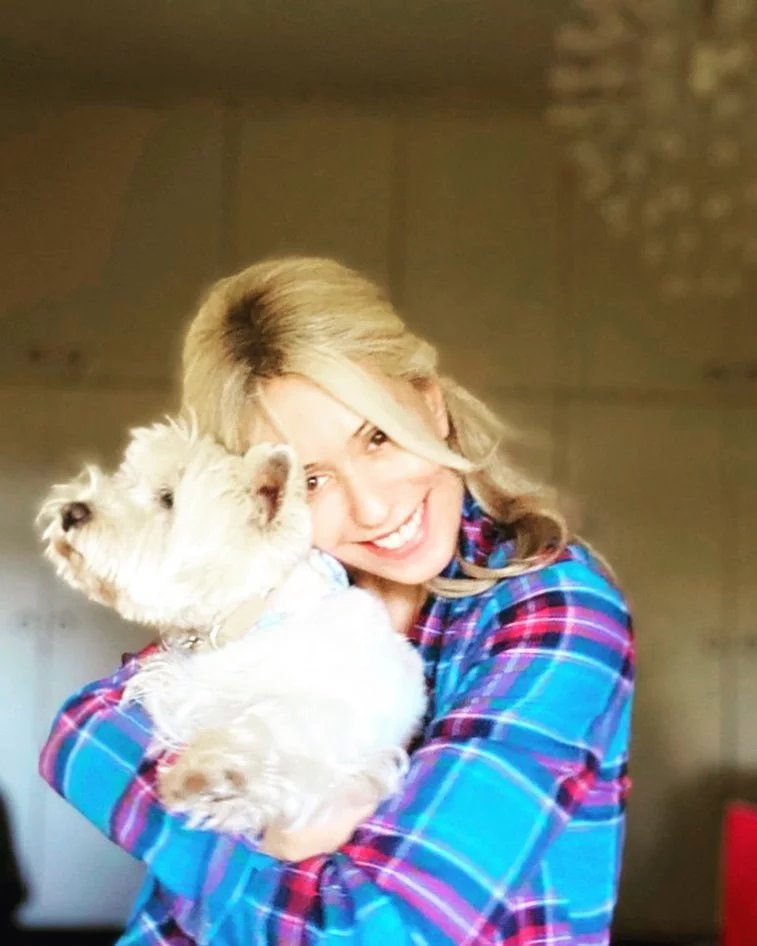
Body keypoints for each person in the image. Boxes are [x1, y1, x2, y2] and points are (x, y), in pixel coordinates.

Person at [39, 256, 634, 946]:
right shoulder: (296, 578)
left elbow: (369, 931)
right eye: (312, 480)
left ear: (430, 404)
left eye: (377, 437)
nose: (374, 508)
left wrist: (219, 844)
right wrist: (285, 830)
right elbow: (81, 735)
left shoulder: (556, 611)